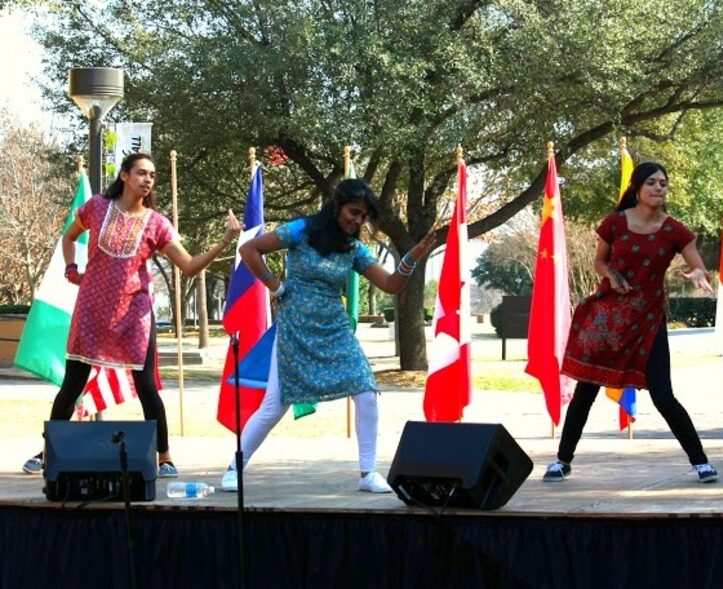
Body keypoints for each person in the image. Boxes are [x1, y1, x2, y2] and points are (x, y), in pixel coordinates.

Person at [22, 153, 241, 478]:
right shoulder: (96, 207)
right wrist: (71, 269)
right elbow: (69, 238)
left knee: (146, 386)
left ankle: (164, 457)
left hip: (134, 316)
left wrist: (225, 241)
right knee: (72, 384)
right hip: (92, 311)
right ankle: (48, 450)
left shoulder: (157, 223)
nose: (148, 179)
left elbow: (189, 266)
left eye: (152, 175)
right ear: (124, 175)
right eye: (141, 172)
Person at [219, 178, 435, 493]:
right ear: (337, 205)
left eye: (363, 216)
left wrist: (412, 257)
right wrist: (276, 287)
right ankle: (234, 468)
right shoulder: (300, 231)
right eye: (354, 212)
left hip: (334, 330)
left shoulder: (354, 249)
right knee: (275, 404)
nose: (358, 220)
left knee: (365, 391)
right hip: (295, 329)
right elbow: (250, 249)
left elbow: (390, 284)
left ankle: (367, 473)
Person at [544, 161, 719, 484]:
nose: (658, 188)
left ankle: (701, 463)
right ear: (637, 188)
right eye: (651, 182)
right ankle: (562, 460)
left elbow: (698, 266)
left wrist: (697, 274)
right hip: (609, 319)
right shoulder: (615, 223)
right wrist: (611, 275)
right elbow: (599, 261)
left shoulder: (675, 230)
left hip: (648, 322)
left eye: (663, 183)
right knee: (586, 390)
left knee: (663, 394)